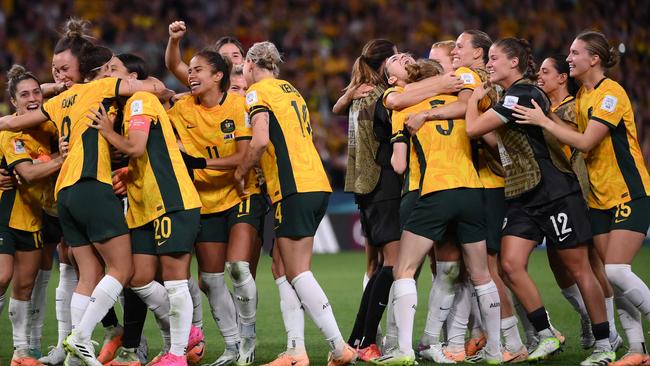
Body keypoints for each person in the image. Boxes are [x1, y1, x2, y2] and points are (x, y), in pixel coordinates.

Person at [0, 39, 165, 366]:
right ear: (99, 70)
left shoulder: (60, 102)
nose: (59, 74)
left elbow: (8, 122)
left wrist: (51, 87)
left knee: (87, 272)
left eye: (64, 68)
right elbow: (156, 87)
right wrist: (123, 79)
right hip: (92, 184)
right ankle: (82, 336)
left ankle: (76, 354)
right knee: (123, 268)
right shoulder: (101, 87)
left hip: (65, 195)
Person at [464, 37, 614, 366]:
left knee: (579, 269)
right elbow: (492, 137)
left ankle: (605, 342)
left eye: (494, 58)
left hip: (555, 192)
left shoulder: (524, 93)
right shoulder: (508, 96)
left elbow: (474, 128)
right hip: (523, 195)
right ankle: (546, 334)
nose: (489, 64)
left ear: (513, 63)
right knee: (509, 265)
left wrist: (475, 98)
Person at [514, 31, 650, 366]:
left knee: (617, 271)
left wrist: (544, 120)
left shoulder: (610, 94)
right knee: (613, 279)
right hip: (598, 198)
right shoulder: (584, 97)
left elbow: (587, 142)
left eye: (575, 53)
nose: (569, 57)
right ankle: (636, 350)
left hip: (628, 191)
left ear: (594, 59)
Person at [374, 57, 502, 366]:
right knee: (481, 274)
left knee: (404, 270)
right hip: (473, 191)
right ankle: (497, 351)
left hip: (434, 191)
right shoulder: (462, 101)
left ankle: (402, 349)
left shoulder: (404, 108)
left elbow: (399, 164)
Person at [235, 41, 356, 366]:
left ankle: (338, 346)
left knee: (297, 271)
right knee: (280, 266)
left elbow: (260, 140)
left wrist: (241, 171)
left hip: (293, 187)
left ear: (250, 64)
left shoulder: (257, 93)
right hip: (315, 182)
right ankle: (295, 351)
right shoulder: (291, 90)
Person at [167, 49, 264, 366]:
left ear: (218, 76)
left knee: (238, 266)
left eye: (197, 70)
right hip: (204, 200)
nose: (190, 75)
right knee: (209, 280)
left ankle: (248, 336)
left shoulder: (238, 105)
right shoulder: (182, 108)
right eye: (189, 70)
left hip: (240, 192)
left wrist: (200, 162)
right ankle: (233, 345)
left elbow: (242, 156)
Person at [536, 54, 623, 351]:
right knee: (558, 265)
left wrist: (548, 118)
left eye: (546, 72)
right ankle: (588, 315)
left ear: (563, 78)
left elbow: (581, 139)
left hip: (579, 192)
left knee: (590, 265)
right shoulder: (545, 109)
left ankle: (608, 330)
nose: (539, 76)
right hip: (551, 195)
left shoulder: (573, 106)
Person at [337, 39, 400, 362]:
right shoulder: (381, 97)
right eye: (397, 57)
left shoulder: (359, 93)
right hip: (385, 185)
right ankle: (365, 340)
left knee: (378, 266)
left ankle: (359, 337)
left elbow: (337, 108)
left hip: (364, 186)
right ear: (385, 62)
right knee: (393, 263)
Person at [0, 64, 64, 366]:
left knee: (25, 284)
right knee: (2, 277)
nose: (32, 98)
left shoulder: (49, 127)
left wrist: (52, 88)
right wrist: (64, 156)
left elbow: (59, 93)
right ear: (14, 102)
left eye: (36, 91)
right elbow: (27, 173)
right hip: (6, 212)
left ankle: (21, 350)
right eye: (24, 94)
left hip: (35, 216)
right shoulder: (10, 130)